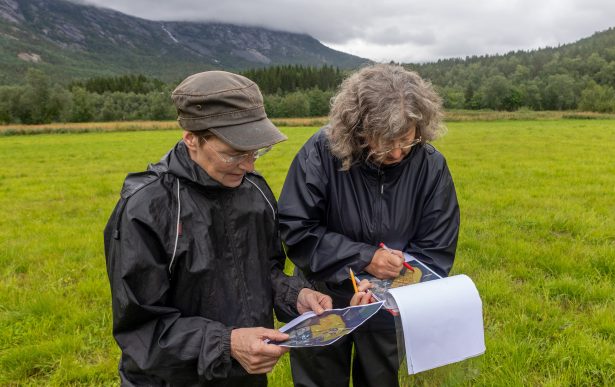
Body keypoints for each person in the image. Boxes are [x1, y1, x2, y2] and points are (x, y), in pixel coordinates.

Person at [104, 71, 336, 386]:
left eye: (256, 151)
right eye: (234, 153)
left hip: (245, 377)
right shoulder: (146, 209)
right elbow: (141, 330)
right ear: (191, 138)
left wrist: (296, 295)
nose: (250, 165)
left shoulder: (255, 192)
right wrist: (226, 344)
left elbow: (264, 273)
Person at [278, 64, 461, 387]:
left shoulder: (430, 165)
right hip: (323, 299)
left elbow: (436, 248)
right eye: (384, 142)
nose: (396, 153)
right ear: (358, 130)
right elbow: (297, 229)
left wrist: (388, 287)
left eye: (406, 141)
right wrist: (363, 260)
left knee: (379, 380)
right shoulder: (322, 152)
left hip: (389, 309)